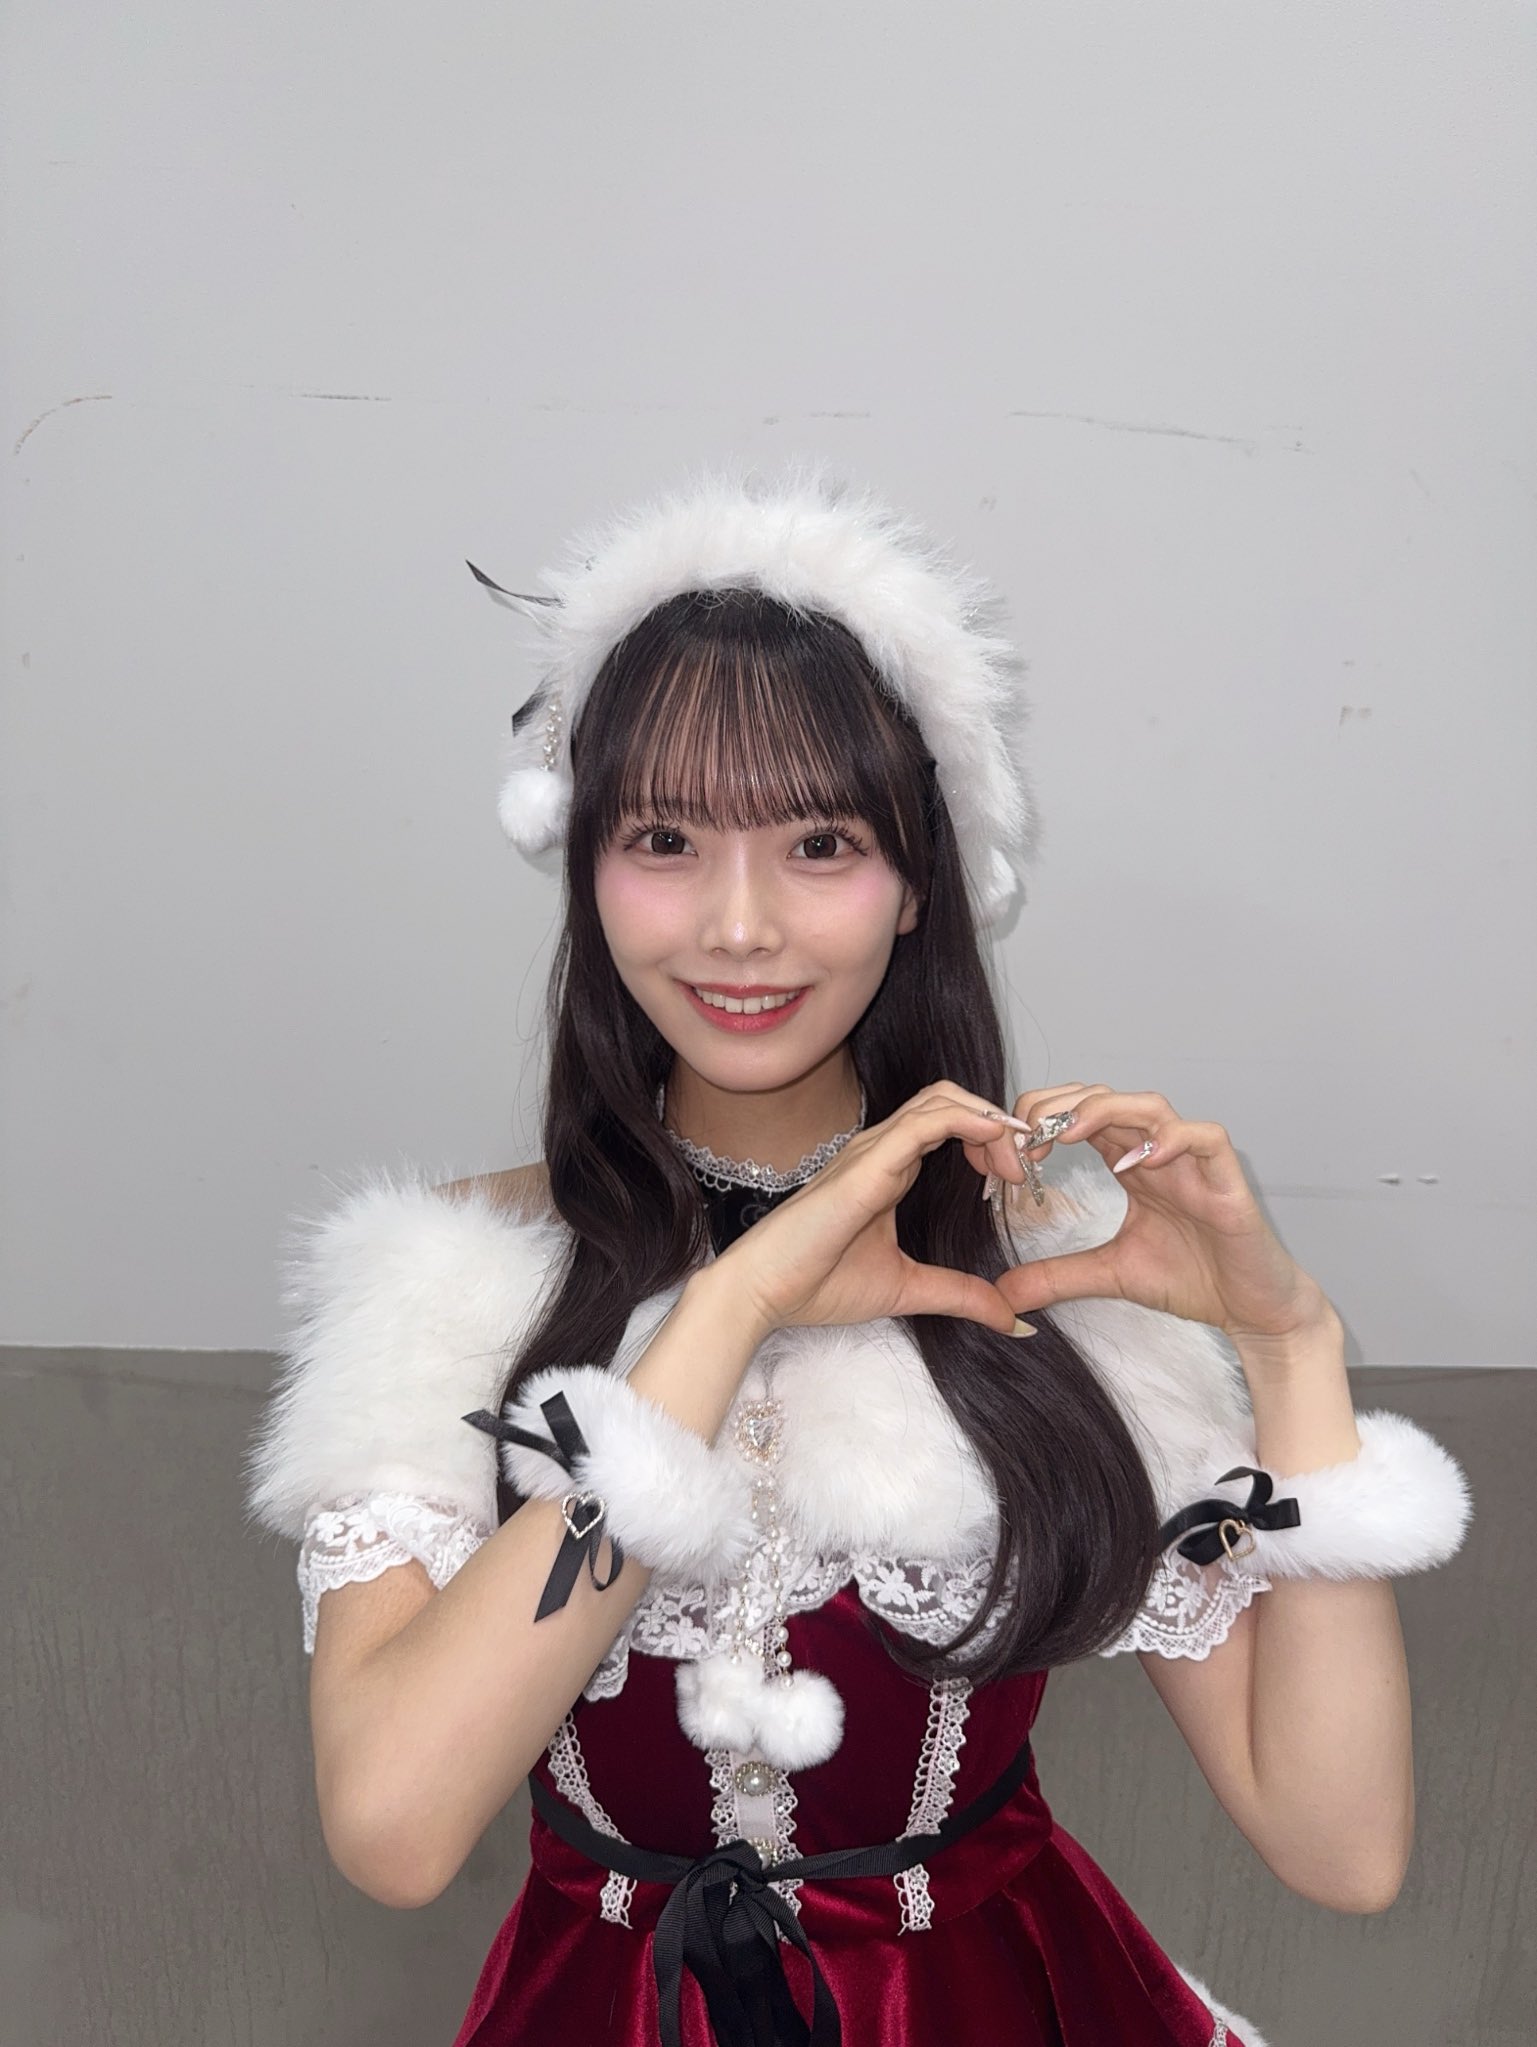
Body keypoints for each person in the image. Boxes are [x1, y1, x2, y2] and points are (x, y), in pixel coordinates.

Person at [244, 462, 1472, 2047]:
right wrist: (734, 1306)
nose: (737, 927)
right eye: (664, 839)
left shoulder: (1056, 1275)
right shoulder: (449, 1280)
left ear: (915, 887)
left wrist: (1290, 1348)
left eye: (818, 844)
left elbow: (1340, 1849)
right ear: (584, 863)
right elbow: (394, 1830)